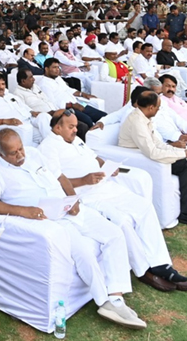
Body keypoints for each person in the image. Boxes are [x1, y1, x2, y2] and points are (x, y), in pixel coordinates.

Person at [0, 129, 147, 328]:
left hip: (67, 207)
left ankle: (117, 297)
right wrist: (24, 210)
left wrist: (72, 199)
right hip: (48, 220)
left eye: (21, 148)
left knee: (115, 234)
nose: (21, 155)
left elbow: (60, 177)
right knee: (83, 252)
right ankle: (104, 302)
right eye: (13, 153)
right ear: (0, 155)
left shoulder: (33, 153)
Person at [41, 110, 187, 291]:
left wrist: (107, 165)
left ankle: (161, 264)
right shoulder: (48, 147)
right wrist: (84, 180)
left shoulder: (75, 140)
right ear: (57, 127)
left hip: (105, 187)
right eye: (71, 127)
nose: (75, 130)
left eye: (76, 126)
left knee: (144, 206)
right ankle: (144, 271)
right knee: (122, 221)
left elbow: (93, 156)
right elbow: (52, 181)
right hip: (86, 195)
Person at [119, 91, 187, 224]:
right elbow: (153, 152)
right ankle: (185, 214)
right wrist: (182, 155)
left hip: (147, 156)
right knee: (184, 165)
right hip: (140, 160)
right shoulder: (137, 122)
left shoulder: (145, 118)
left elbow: (158, 143)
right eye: (158, 107)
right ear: (151, 107)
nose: (158, 110)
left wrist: (182, 151)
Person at [0, 73, 52, 145]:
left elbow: (23, 106)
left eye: (3, 84)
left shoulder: (10, 96)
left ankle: (54, 144)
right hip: (15, 125)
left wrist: (31, 111)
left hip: (28, 119)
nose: (1, 87)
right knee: (29, 130)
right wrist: (6, 121)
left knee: (44, 116)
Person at [38, 58, 107, 128]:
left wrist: (83, 94)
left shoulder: (57, 78)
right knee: (88, 121)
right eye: (54, 67)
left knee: (103, 116)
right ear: (46, 69)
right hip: (67, 109)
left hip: (77, 103)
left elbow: (69, 90)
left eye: (58, 67)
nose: (57, 69)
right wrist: (72, 105)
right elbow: (53, 103)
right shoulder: (44, 84)